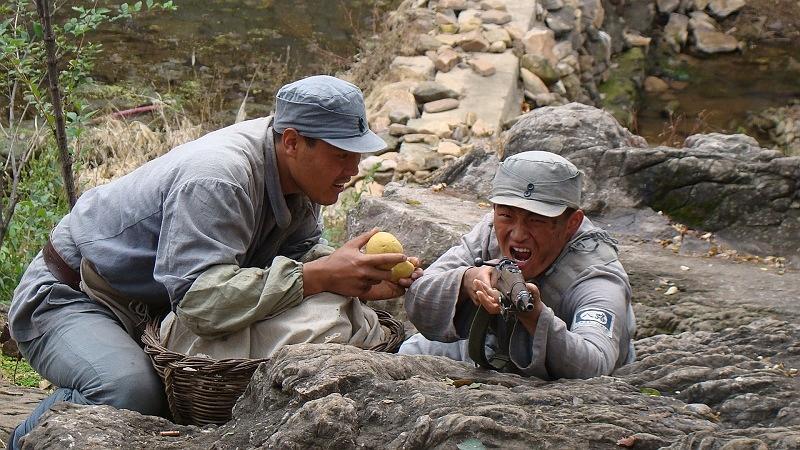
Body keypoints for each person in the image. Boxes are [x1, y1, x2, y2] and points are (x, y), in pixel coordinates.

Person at [6, 75, 422, 449]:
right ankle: (26, 440)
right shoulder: (219, 177)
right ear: (292, 141)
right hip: (72, 296)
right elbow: (200, 302)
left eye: (357, 154)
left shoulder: (299, 174)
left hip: (150, 304)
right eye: (341, 155)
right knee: (130, 393)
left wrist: (353, 277)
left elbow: (297, 256)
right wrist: (317, 276)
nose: (353, 169)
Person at [399, 150, 635, 379]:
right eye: (507, 216)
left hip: (552, 379)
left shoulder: (596, 273)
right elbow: (420, 294)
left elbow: (595, 363)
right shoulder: (490, 231)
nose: (518, 234)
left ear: (572, 223)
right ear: (495, 211)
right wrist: (467, 281)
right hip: (489, 348)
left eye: (536, 220)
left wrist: (536, 317)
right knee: (409, 356)